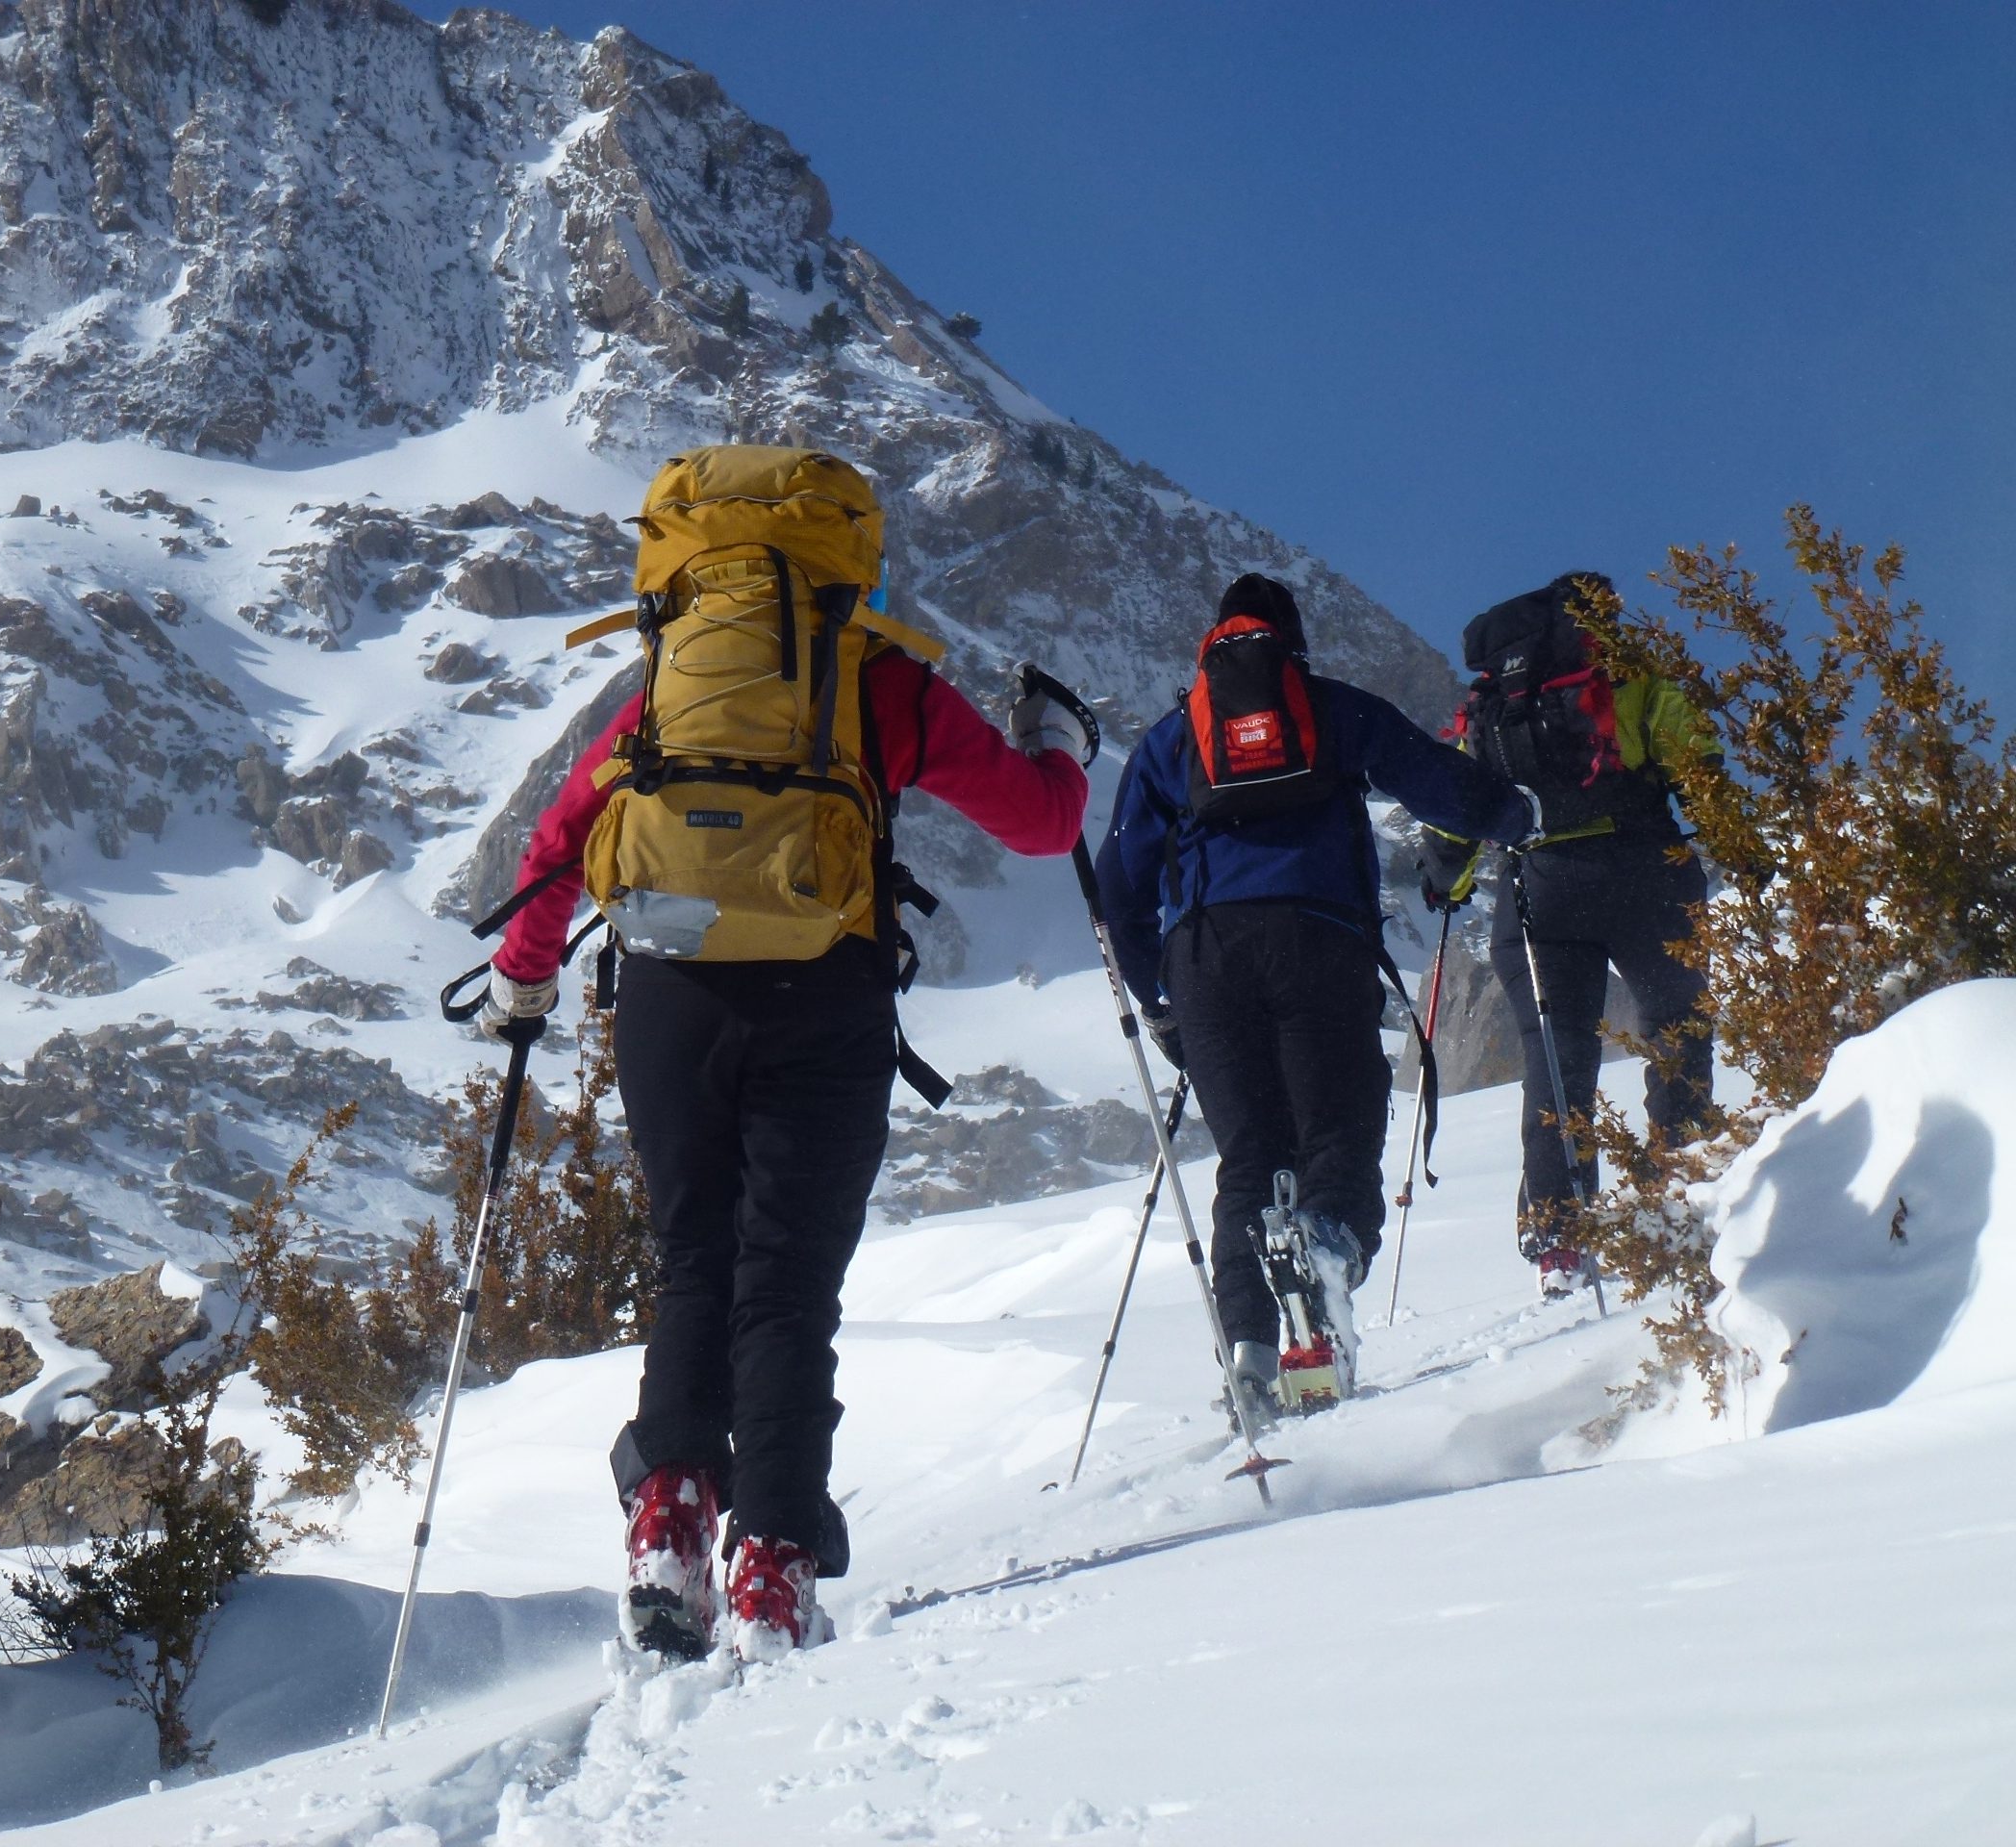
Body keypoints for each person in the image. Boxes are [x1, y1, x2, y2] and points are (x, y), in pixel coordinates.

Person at [477, 444, 1092, 1664]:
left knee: (692, 1258)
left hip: (668, 999)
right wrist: (1056, 737)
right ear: (842, 557)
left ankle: (668, 1518)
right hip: (825, 993)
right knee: (789, 1280)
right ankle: (771, 1563)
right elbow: (1041, 822)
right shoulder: (876, 678)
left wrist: (524, 973)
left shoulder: (668, 681)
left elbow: (562, 837)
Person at [1096, 572, 1536, 1422]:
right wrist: (1516, 817)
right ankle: (1327, 1246)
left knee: (1249, 1161)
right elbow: (1429, 776)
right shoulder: (1332, 708)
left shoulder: (1171, 739)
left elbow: (1120, 881)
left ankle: (1253, 1356)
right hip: (1318, 939)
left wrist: (1159, 999)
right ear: (1294, 642)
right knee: (1335, 1129)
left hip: (1205, 955)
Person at [1419, 571, 1722, 1294]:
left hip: (1539, 889)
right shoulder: (1633, 676)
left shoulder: (1492, 702)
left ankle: (1558, 1235)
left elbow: (1456, 807)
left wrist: (1445, 880)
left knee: (1558, 1057)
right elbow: (1696, 758)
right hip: (1646, 866)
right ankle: (1685, 1186)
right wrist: (1734, 833)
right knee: (1676, 1023)